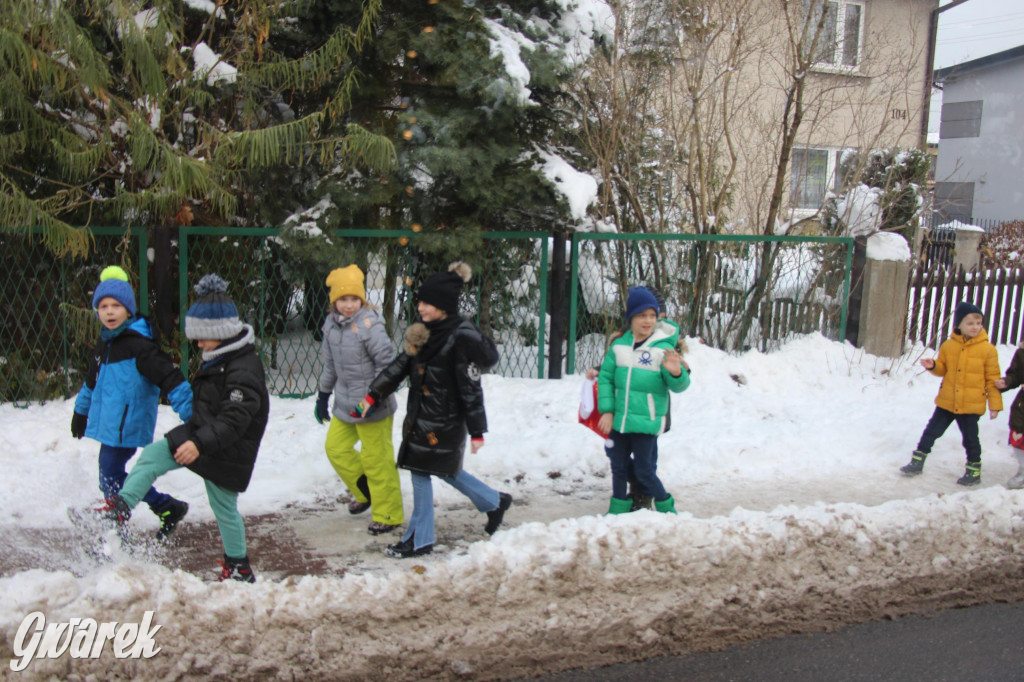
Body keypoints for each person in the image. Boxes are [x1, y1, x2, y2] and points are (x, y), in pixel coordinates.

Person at [105, 274, 270, 582]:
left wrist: (198, 444)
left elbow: (234, 421)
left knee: (223, 507)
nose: (197, 343)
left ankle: (238, 567)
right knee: (154, 455)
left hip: (226, 449)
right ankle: (119, 510)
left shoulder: (243, 369)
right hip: (204, 437)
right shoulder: (220, 356)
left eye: (201, 335)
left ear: (219, 332)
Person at [354, 261, 511, 559]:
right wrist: (373, 395)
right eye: (421, 302)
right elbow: (400, 366)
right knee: (445, 470)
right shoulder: (424, 332)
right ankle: (494, 501)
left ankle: (421, 538)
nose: (421, 308)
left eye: (427, 303)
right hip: (422, 416)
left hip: (446, 421)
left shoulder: (459, 337)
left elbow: (471, 388)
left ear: (444, 305)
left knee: (421, 470)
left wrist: (477, 430)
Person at [71, 265, 192, 540]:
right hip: (111, 423)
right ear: (97, 311)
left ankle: (116, 524)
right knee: (111, 474)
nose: (110, 311)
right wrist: (81, 411)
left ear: (128, 310)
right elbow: (91, 382)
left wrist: (193, 415)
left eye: (116, 305)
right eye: (103, 306)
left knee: (110, 471)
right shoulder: (106, 345)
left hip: (128, 422)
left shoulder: (140, 346)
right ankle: (165, 506)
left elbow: (170, 378)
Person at [315, 265, 403, 534]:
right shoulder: (330, 325)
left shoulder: (369, 325)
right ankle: (366, 491)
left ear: (362, 300)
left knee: (377, 459)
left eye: (354, 299)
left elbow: (387, 365)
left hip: (373, 405)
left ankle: (388, 513)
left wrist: (372, 398)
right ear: (334, 302)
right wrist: (323, 395)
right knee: (336, 449)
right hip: (345, 404)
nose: (349, 305)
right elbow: (330, 365)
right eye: (343, 299)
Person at [597, 286, 690, 514]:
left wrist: (676, 372)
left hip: (646, 421)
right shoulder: (619, 346)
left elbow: (679, 386)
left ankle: (665, 506)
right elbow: (607, 377)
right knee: (617, 464)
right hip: (620, 419)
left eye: (652, 315)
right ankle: (617, 508)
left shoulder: (663, 348)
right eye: (642, 315)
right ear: (631, 317)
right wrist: (607, 411)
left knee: (645, 470)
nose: (648, 321)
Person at [901, 301, 1002, 485]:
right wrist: (934, 366)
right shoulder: (948, 346)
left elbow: (993, 379)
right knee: (931, 431)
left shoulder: (988, 350)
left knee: (970, 439)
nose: (975, 327)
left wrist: (994, 405)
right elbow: (943, 369)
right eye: (970, 323)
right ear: (959, 326)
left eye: (979, 323)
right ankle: (917, 462)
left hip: (971, 405)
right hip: (947, 401)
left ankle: (973, 471)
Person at [994, 342, 1024, 488]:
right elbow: (1015, 375)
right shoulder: (1022, 353)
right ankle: (1023, 472)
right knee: (1019, 436)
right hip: (1022, 406)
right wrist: (1006, 382)